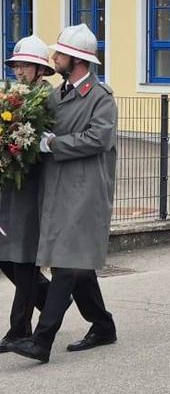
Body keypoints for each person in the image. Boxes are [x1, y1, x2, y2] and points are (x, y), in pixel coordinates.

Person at [6, 24, 118, 365]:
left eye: (60, 54)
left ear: (78, 60)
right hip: (58, 189)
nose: (54, 58)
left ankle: (41, 341)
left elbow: (99, 138)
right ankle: (103, 325)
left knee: (66, 265)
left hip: (85, 191)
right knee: (76, 264)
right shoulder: (58, 95)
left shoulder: (101, 98)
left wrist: (54, 144)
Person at [0, 37, 53, 352]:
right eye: (16, 66)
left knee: (23, 259)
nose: (18, 71)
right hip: (11, 186)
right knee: (7, 255)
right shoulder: (12, 96)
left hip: (34, 188)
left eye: (24, 65)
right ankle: (49, 298)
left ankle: (19, 329)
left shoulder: (48, 99)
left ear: (40, 69)